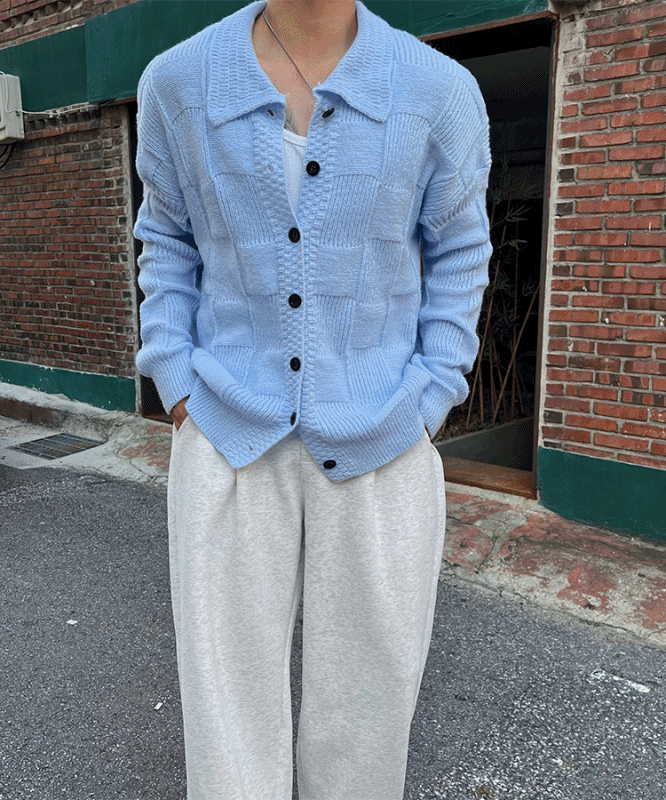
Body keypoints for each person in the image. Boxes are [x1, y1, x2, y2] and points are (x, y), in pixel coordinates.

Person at [134, 1, 492, 797]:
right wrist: (177, 381)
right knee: (225, 717)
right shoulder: (178, 82)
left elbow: (462, 251)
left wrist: (432, 395)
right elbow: (165, 237)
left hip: (383, 439)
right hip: (226, 433)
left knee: (368, 715)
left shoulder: (437, 90)